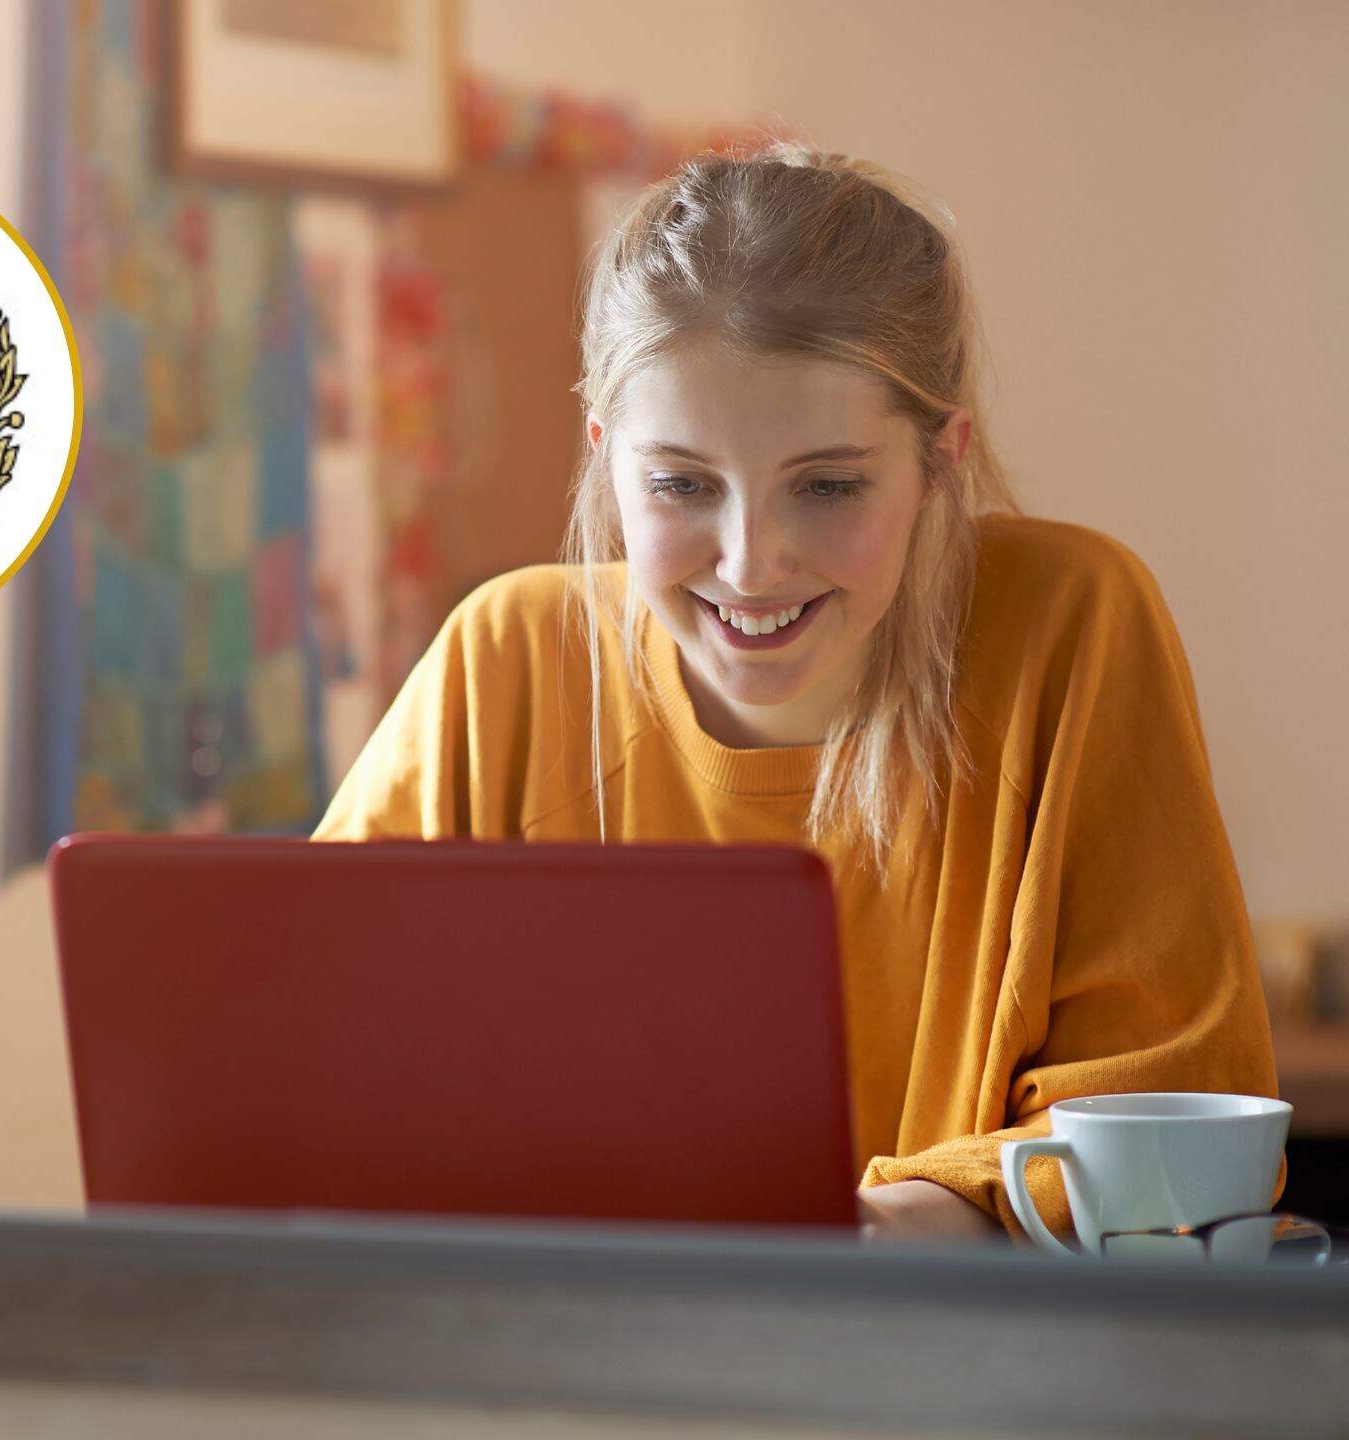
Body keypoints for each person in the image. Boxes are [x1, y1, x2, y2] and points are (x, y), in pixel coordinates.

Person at [310, 140, 1283, 1248]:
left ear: (940, 460)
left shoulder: (1073, 625)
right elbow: (301, 1069)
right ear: (605, 458)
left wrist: (875, 1233)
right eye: (681, 484)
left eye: (826, 486)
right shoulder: (504, 662)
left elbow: (1175, 1116)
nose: (750, 562)